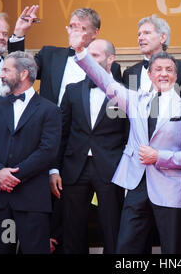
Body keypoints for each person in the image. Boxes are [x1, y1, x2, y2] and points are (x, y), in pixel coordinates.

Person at [69, 24, 181, 254]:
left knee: (173, 249)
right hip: (136, 184)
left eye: (169, 70)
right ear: (149, 75)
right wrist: (81, 51)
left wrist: (159, 156)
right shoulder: (134, 100)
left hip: (170, 187)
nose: (163, 73)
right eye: (158, 69)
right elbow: (103, 79)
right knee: (126, 248)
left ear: (176, 75)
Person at [50, 39, 128, 254]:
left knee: (112, 229)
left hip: (111, 169)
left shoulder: (124, 92)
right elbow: (61, 133)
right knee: (72, 231)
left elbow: (128, 135)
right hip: (74, 168)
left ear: (110, 59)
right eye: (86, 56)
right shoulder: (72, 90)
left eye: (95, 56)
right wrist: (55, 169)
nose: (89, 60)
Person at [0, 51, 62, 254]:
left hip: (32, 201)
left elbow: (48, 150)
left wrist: (14, 175)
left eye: (6, 70)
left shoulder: (50, 110)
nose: (1, 74)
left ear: (24, 73)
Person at [8, 6, 122, 106]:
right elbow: (19, 69)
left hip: (85, 129)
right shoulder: (49, 55)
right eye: (72, 27)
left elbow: (116, 109)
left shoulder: (110, 67)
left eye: (82, 28)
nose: (75, 32)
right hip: (51, 127)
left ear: (95, 33)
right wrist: (19, 32)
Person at [122, 14, 181, 102]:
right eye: (139, 34)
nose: (140, 38)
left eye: (147, 33)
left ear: (162, 37)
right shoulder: (129, 73)